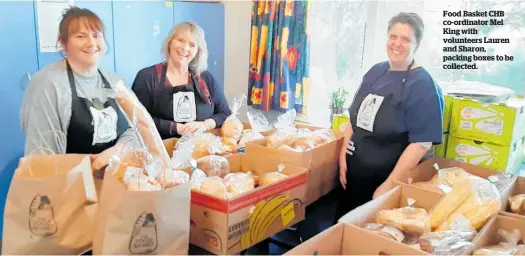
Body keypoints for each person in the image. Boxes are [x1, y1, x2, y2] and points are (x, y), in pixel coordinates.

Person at [333, 12, 444, 223]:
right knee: (342, 233)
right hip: (354, 176)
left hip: (385, 182)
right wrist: (342, 158)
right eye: (393, 36)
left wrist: (390, 184)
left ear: (416, 45)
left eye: (405, 39)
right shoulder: (376, 71)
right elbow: (353, 120)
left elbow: (421, 143)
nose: (397, 44)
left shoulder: (423, 86)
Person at [21, 7, 139, 171]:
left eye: (96, 35)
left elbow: (137, 129)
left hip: (114, 182)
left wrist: (117, 151)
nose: (91, 43)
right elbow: (42, 155)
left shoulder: (115, 82)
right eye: (81, 36)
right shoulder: (48, 84)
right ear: (63, 42)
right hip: (68, 185)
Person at [131, 22, 231, 139]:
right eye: (180, 40)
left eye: (192, 45)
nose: (185, 48)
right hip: (161, 150)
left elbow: (225, 113)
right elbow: (136, 118)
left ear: (197, 52)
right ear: (170, 42)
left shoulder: (206, 78)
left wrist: (205, 125)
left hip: (201, 149)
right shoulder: (147, 77)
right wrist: (175, 128)